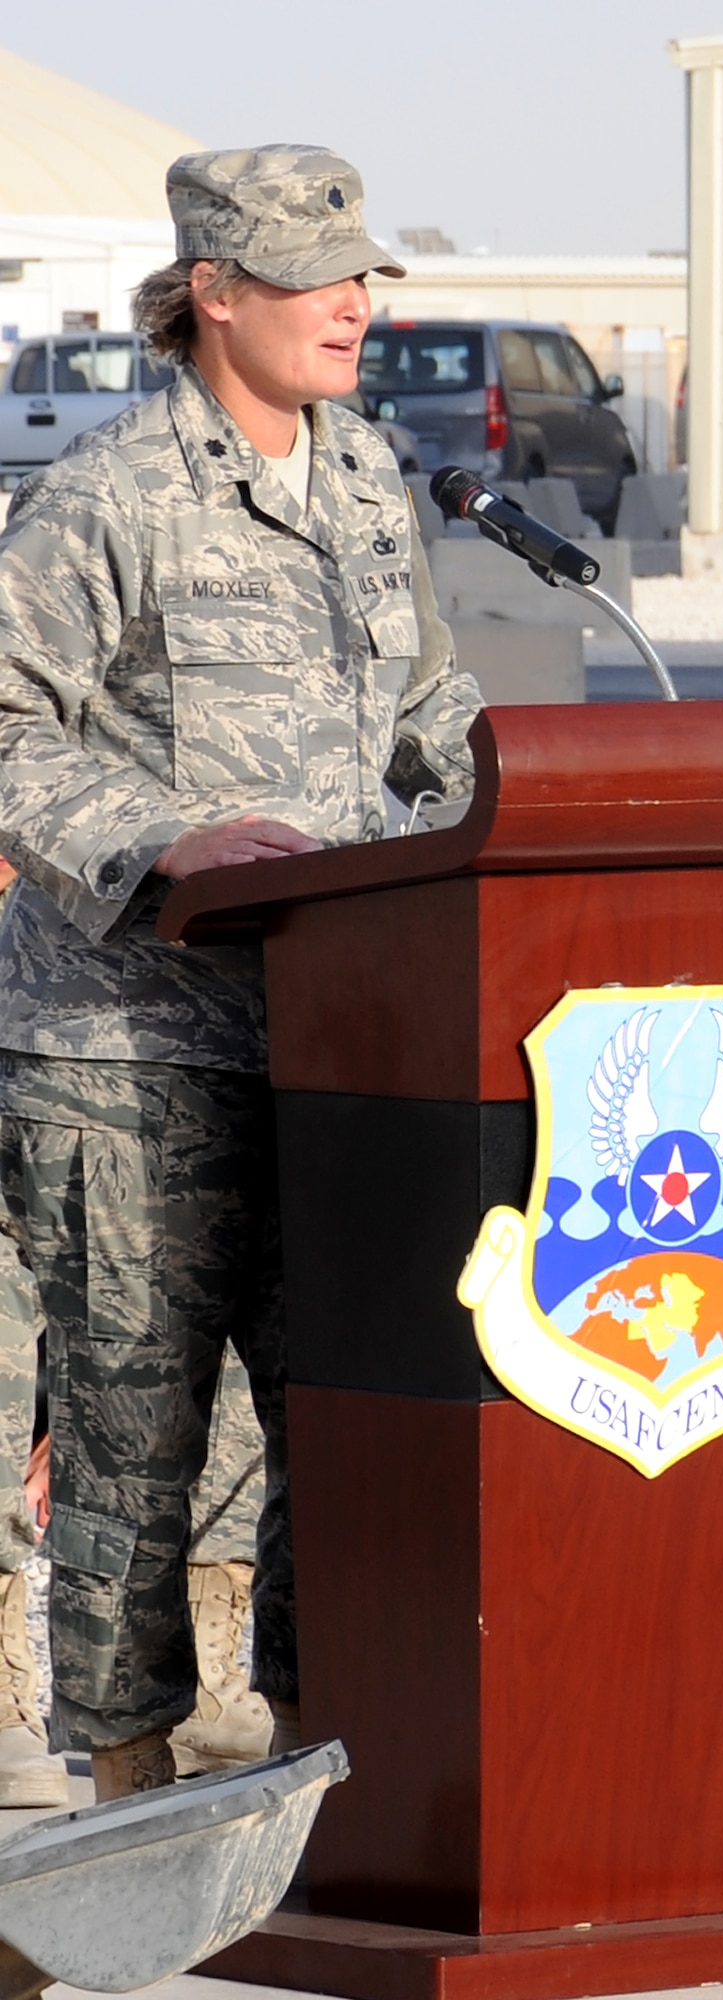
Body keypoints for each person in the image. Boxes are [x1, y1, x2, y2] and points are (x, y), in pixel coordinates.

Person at [0, 143, 482, 1800]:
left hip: (335, 1041)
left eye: (362, 278)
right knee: (134, 1443)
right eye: (313, 278)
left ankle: (308, 1768)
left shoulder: (368, 477)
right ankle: (120, 1795)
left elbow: (428, 711)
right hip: (124, 1049)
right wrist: (166, 840)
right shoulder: (112, 494)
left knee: (335, 1421)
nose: (353, 306)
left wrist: (544, 812)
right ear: (213, 291)